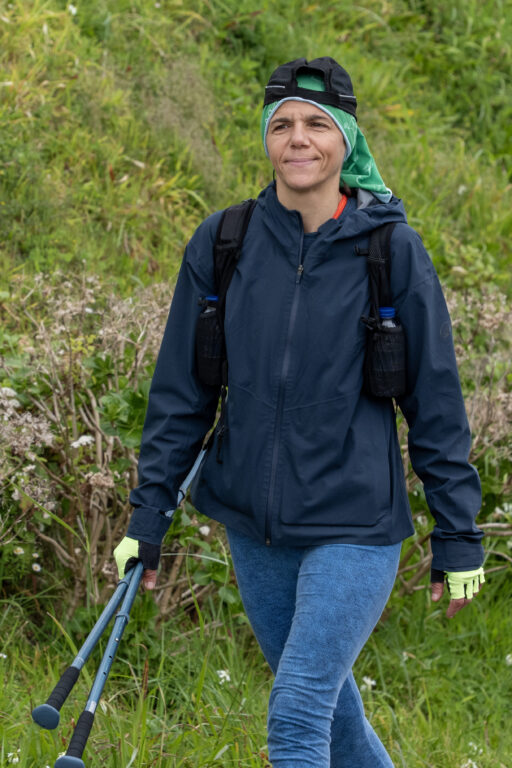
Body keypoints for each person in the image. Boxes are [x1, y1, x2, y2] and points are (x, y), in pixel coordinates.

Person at [114, 57, 485, 767]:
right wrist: (147, 517)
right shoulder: (225, 243)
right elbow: (180, 397)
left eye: (318, 124)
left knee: (297, 712)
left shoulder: (391, 251)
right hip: (255, 526)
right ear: (266, 139)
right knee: (332, 716)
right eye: (281, 125)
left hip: (355, 523)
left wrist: (459, 534)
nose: (298, 138)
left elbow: (436, 401)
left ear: (347, 140)